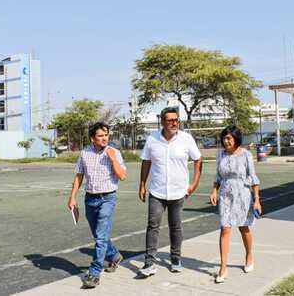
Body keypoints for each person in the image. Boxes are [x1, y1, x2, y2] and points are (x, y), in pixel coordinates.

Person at [138, 107, 203, 277]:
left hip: (178, 191)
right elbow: (146, 162)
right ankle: (149, 263)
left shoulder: (186, 139)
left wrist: (194, 183)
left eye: (176, 120)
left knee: (176, 227)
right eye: (170, 120)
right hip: (157, 191)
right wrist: (142, 184)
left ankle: (175, 259)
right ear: (162, 121)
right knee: (153, 226)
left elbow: (198, 159)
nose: (174, 123)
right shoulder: (152, 139)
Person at [67, 122, 127, 289]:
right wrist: (72, 198)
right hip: (90, 199)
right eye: (100, 136)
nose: (104, 138)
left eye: (106, 135)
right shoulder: (85, 153)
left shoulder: (114, 152)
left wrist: (113, 159)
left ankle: (94, 273)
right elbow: (79, 176)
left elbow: (122, 176)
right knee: (98, 235)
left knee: (100, 237)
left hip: (108, 198)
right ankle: (114, 255)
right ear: (93, 138)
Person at [209, 125, 261, 283]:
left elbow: (253, 177)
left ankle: (249, 255)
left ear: (236, 139)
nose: (226, 141)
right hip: (225, 195)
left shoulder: (246, 154)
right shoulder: (221, 155)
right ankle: (223, 268)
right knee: (225, 228)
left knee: (244, 227)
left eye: (229, 138)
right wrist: (214, 191)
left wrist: (257, 199)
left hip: (243, 195)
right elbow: (218, 176)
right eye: (224, 138)